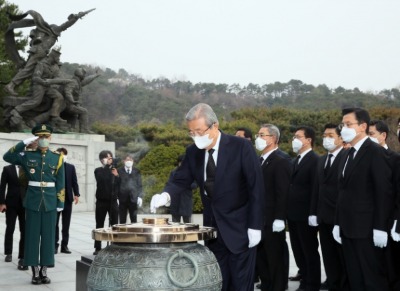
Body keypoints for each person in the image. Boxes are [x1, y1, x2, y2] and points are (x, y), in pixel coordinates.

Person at [150, 103, 264, 291]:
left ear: (215, 126)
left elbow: (256, 188)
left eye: (199, 131)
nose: (196, 136)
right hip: (213, 231)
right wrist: (165, 195)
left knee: (241, 284)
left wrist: (255, 226)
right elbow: (180, 180)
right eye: (191, 132)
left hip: (241, 229)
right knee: (217, 282)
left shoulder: (240, 147)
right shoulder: (193, 152)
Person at [333, 108, 392, 290]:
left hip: (367, 230)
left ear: (363, 126)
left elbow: (383, 193)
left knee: (372, 278)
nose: (344, 128)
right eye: (343, 124)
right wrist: (337, 222)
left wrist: (380, 228)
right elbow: (342, 192)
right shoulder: (347, 153)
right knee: (354, 277)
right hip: (348, 228)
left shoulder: (375, 152)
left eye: (349, 124)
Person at [3, 124, 65, 285]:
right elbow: (7, 157)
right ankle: (35, 271)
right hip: (32, 201)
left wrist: (60, 201)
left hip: (50, 201)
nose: (43, 140)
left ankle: (44, 270)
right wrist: (23, 143)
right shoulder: (27, 156)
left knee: (48, 237)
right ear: (36, 139)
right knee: (31, 237)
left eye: (46, 137)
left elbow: (61, 182)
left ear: (50, 138)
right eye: (40, 137)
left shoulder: (57, 157)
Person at [4, 9, 93, 96]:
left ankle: (27, 91)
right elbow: (66, 25)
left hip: (38, 52)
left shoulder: (45, 34)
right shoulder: (53, 31)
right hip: (40, 52)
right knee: (28, 70)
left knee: (33, 71)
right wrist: (76, 17)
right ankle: (11, 85)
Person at [309, 123, 348, 291]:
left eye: (331, 135)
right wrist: (313, 212)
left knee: (343, 259)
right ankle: (332, 284)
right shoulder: (322, 159)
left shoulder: (347, 157)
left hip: (341, 218)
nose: (327, 139)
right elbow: (317, 188)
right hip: (324, 217)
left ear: (341, 138)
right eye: (324, 136)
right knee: (329, 256)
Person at [255, 124, 291, 291]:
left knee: (275, 256)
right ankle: (267, 284)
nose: (258, 138)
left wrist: (279, 217)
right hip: (259, 218)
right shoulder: (259, 160)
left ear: (273, 139)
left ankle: (278, 286)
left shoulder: (281, 160)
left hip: (272, 218)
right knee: (262, 256)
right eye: (258, 134)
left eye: (262, 135)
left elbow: (282, 192)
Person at [287, 125, 320, 291]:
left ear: (309, 140)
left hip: (306, 214)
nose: (295, 140)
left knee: (309, 250)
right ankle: (304, 276)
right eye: (294, 137)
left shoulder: (315, 160)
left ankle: (311, 283)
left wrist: (313, 213)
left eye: (298, 137)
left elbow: (315, 189)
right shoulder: (295, 160)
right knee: (298, 249)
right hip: (293, 214)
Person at [369, 120, 400, 290]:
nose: (368, 138)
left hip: (389, 221)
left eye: (372, 134)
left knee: (390, 265)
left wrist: (396, 220)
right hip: (368, 221)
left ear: (383, 136)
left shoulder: (394, 159)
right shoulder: (363, 158)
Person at [10, 48, 66, 127]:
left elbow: (58, 77)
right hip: (38, 85)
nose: (58, 59)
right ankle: (16, 110)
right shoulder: (41, 64)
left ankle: (54, 116)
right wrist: (43, 81)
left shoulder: (55, 67)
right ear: (53, 57)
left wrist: (52, 81)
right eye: (57, 58)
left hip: (47, 86)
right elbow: (35, 77)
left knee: (59, 97)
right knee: (36, 101)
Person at [0, 164, 28, 270]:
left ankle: (22, 256)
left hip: (25, 204)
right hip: (11, 204)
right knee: (10, 228)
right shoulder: (7, 169)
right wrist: (2, 202)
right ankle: (8, 253)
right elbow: (2, 186)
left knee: (24, 230)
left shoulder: (28, 168)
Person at [93, 150, 119, 255]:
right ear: (101, 160)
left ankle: (114, 245)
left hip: (113, 201)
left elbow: (120, 184)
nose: (109, 159)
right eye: (107, 158)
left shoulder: (116, 171)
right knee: (99, 224)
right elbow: (101, 179)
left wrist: (116, 176)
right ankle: (97, 247)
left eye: (110, 157)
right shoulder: (98, 170)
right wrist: (108, 168)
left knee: (114, 224)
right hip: (101, 201)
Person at [55, 147, 80, 254]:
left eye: (64, 154)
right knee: (54, 224)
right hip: (56, 199)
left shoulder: (71, 167)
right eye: (60, 154)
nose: (62, 156)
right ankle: (54, 245)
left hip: (68, 199)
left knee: (66, 224)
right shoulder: (54, 167)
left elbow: (74, 181)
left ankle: (64, 245)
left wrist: (77, 194)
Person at [168, 154, 197, 223]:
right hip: (175, 202)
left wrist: (186, 184)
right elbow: (169, 184)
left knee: (188, 226)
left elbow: (195, 185)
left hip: (186, 201)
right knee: (175, 225)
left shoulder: (191, 172)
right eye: (180, 162)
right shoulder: (173, 173)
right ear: (178, 163)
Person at [117, 155, 142, 224]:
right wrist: (116, 197)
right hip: (122, 200)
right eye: (127, 160)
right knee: (122, 220)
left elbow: (139, 185)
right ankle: (122, 233)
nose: (129, 161)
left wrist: (140, 196)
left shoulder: (136, 171)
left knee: (134, 219)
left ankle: (134, 233)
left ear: (133, 161)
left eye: (130, 160)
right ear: (124, 161)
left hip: (133, 199)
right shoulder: (118, 171)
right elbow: (115, 185)